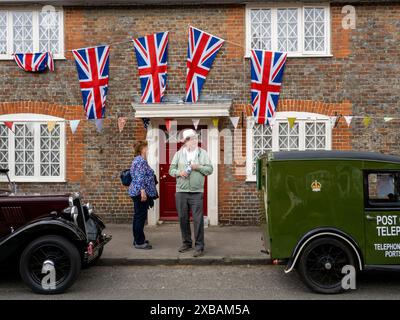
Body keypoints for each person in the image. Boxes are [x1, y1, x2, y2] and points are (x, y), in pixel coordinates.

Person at [169, 129, 213, 257]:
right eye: (189, 139)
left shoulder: (202, 153)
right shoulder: (178, 154)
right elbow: (171, 170)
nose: (193, 141)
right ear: (185, 142)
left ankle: (199, 246)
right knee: (183, 218)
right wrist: (179, 173)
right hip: (181, 191)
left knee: (198, 220)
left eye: (194, 138)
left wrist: (198, 167)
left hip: (196, 192)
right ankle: (187, 243)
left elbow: (210, 169)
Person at [128, 140, 158, 250]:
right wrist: (143, 191)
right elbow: (140, 177)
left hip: (137, 192)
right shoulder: (140, 161)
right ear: (142, 149)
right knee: (140, 217)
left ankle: (138, 239)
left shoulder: (138, 160)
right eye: (146, 147)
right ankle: (139, 242)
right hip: (139, 193)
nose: (148, 149)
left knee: (138, 217)